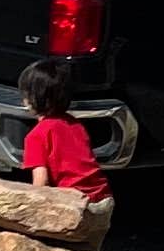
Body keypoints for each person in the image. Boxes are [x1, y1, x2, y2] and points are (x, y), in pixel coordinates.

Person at [15, 58, 109, 203]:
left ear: (31, 98)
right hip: (102, 196)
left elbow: (41, 183)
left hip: (75, 202)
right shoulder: (75, 125)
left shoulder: (36, 136)